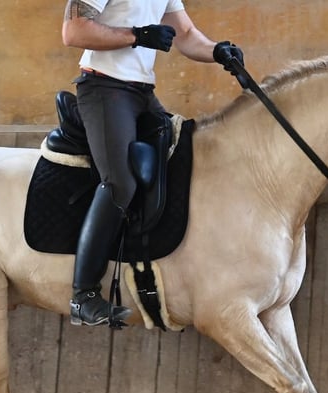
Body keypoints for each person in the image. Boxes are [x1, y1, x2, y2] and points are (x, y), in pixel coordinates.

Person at [62, 0, 244, 326]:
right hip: (104, 88)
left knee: (182, 161)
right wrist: (138, 35)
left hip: (142, 94)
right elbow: (74, 30)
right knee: (121, 182)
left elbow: (185, 33)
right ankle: (83, 295)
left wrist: (217, 51)